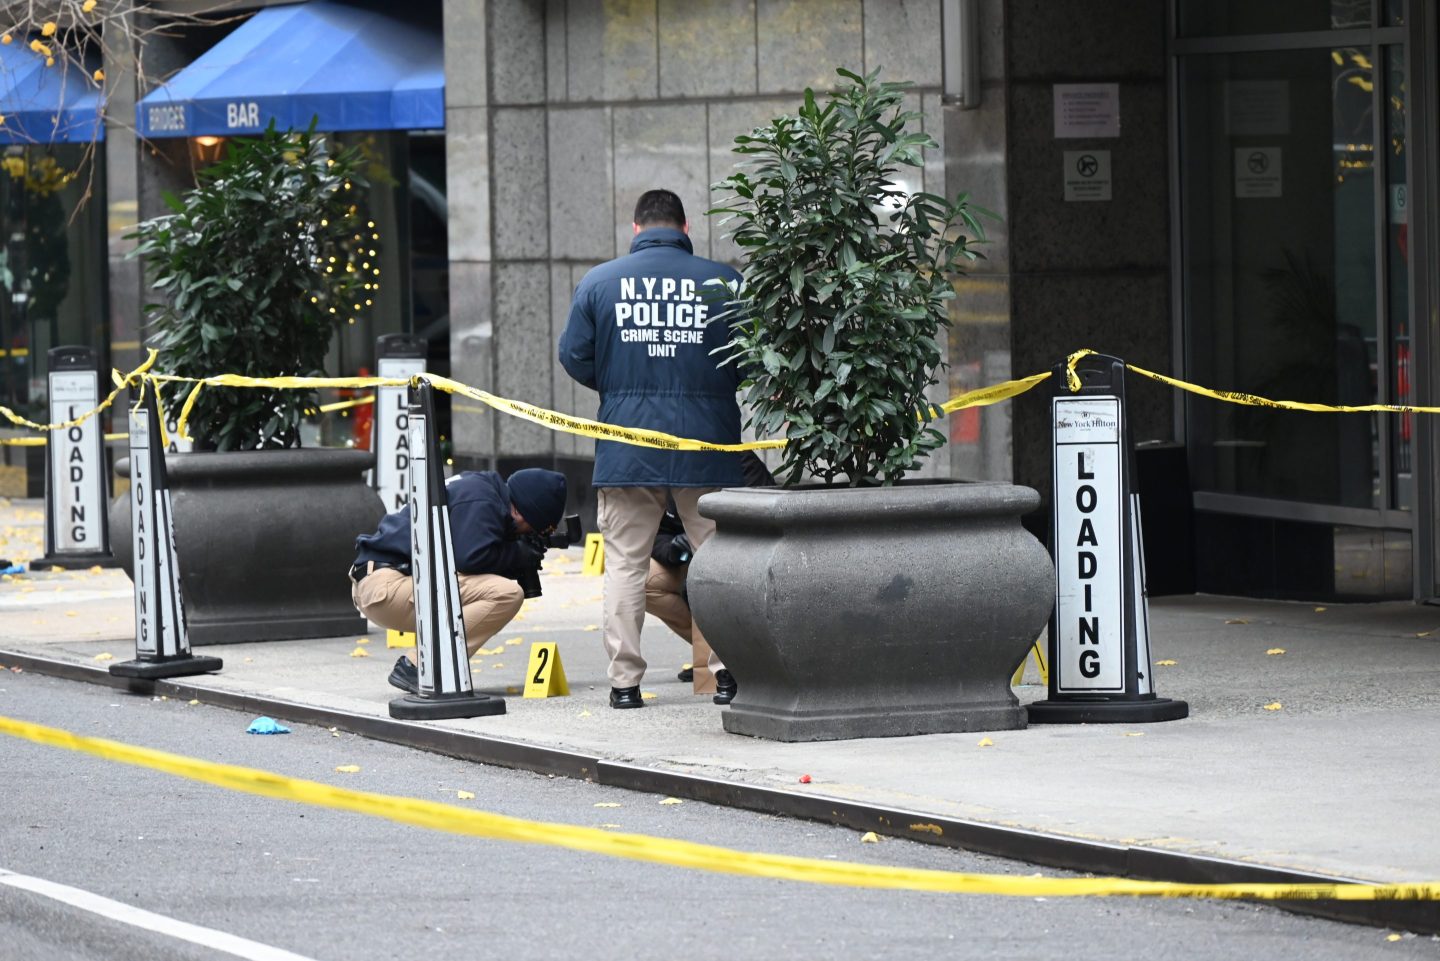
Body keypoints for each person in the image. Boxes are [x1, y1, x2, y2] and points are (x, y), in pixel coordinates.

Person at [558, 188, 744, 710]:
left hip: (626, 444)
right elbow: (750, 361)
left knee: (624, 565)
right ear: (685, 229)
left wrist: (621, 386)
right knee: (718, 561)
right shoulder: (724, 282)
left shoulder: (599, 281)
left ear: (635, 230)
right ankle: (726, 675)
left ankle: (624, 684)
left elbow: (574, 357)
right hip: (706, 442)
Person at [350, 467, 567, 694]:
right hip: (388, 585)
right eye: (533, 530)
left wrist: (513, 555)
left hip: (384, 582)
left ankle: (429, 665)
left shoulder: (482, 490)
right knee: (506, 595)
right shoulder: (483, 501)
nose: (528, 535)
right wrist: (517, 554)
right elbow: (470, 558)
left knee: (495, 588)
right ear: (521, 513)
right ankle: (420, 666)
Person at [649, 452, 775, 683]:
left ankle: (733, 658)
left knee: (707, 580)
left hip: (739, 560)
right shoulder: (665, 461)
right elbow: (655, 533)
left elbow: (767, 519)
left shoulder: (740, 461)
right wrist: (673, 550)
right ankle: (710, 654)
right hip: (689, 560)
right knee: (640, 579)